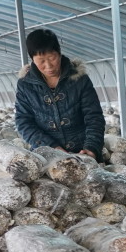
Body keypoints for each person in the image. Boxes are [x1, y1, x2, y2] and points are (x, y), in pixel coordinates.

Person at [15, 28, 105, 161]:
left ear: (59, 53)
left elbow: (94, 117)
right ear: (32, 59)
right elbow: (23, 121)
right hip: (45, 154)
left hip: (81, 152)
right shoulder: (25, 85)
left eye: (52, 58)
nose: (49, 66)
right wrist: (52, 148)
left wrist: (91, 148)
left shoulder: (79, 79)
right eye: (41, 61)